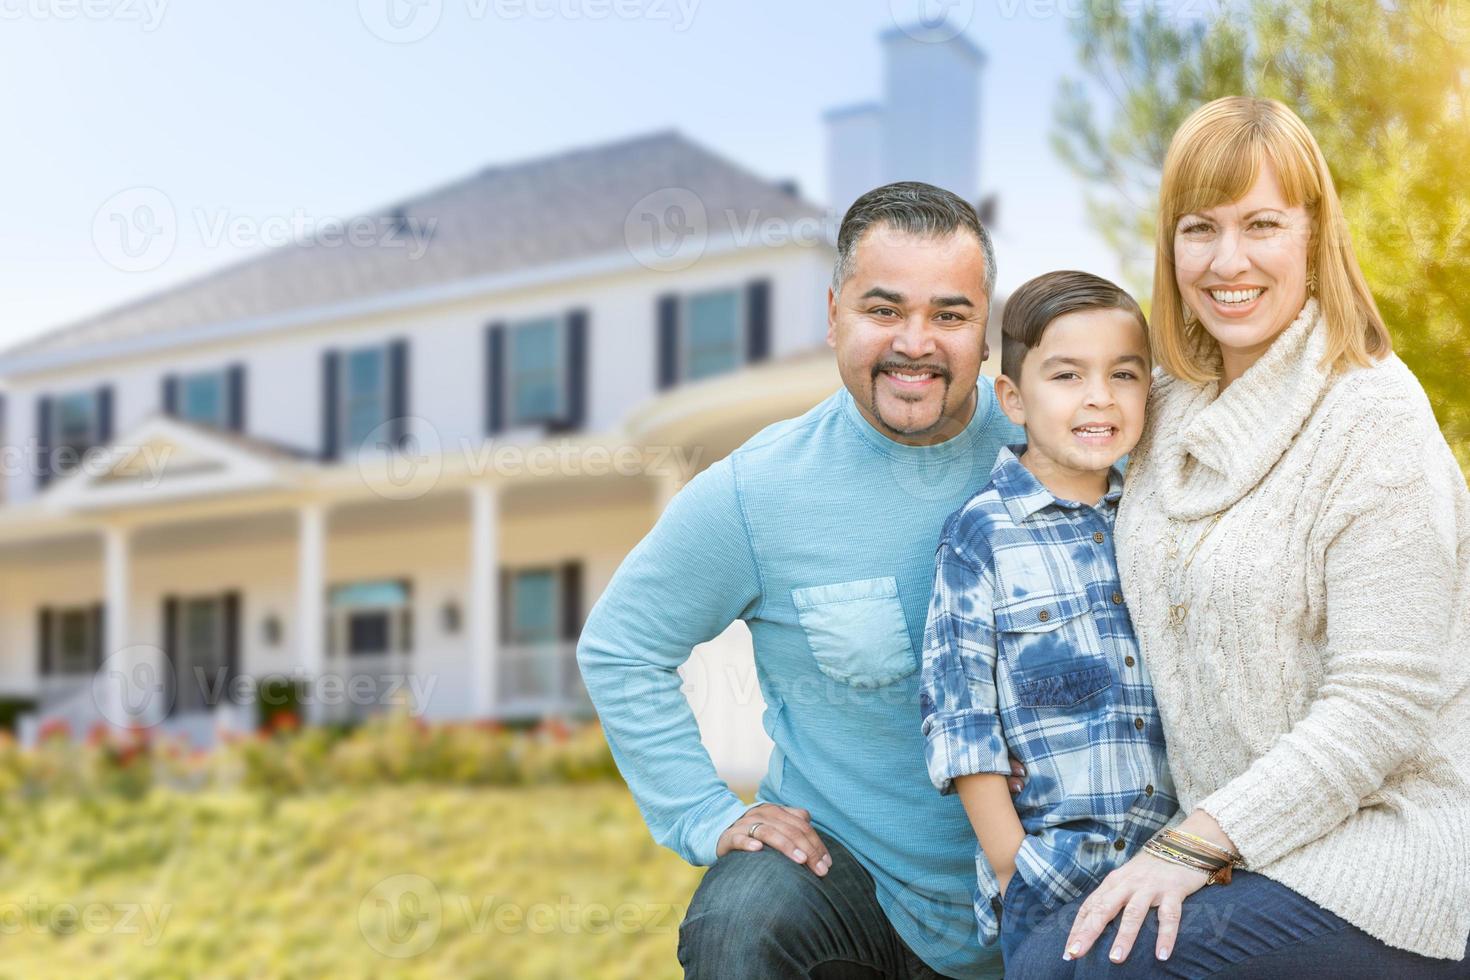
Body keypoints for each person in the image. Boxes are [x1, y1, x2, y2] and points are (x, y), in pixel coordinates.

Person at [1007, 96, 1470, 977]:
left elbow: (1382, 702)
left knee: (1100, 972)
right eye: (1199, 228)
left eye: (1261, 224)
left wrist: (1192, 847)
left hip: (1383, 852)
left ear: (1312, 233)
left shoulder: (1372, 418)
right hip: (1232, 848)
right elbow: (1049, 459)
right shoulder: (1168, 403)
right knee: (1036, 955)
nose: (1228, 261)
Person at [577, 181, 1026, 979]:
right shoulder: (759, 492)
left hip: (1053, 886)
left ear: (985, 330)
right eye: (883, 310)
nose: (915, 343)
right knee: (743, 923)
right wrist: (704, 812)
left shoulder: (1058, 446)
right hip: (854, 887)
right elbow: (620, 647)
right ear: (832, 316)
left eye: (950, 315)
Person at [919, 270, 1179, 974]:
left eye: (1123, 374)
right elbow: (961, 725)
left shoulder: (1155, 517)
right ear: (1013, 398)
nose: (1099, 396)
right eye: (1067, 375)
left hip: (1176, 873)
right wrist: (1017, 872)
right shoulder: (983, 535)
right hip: (1057, 885)